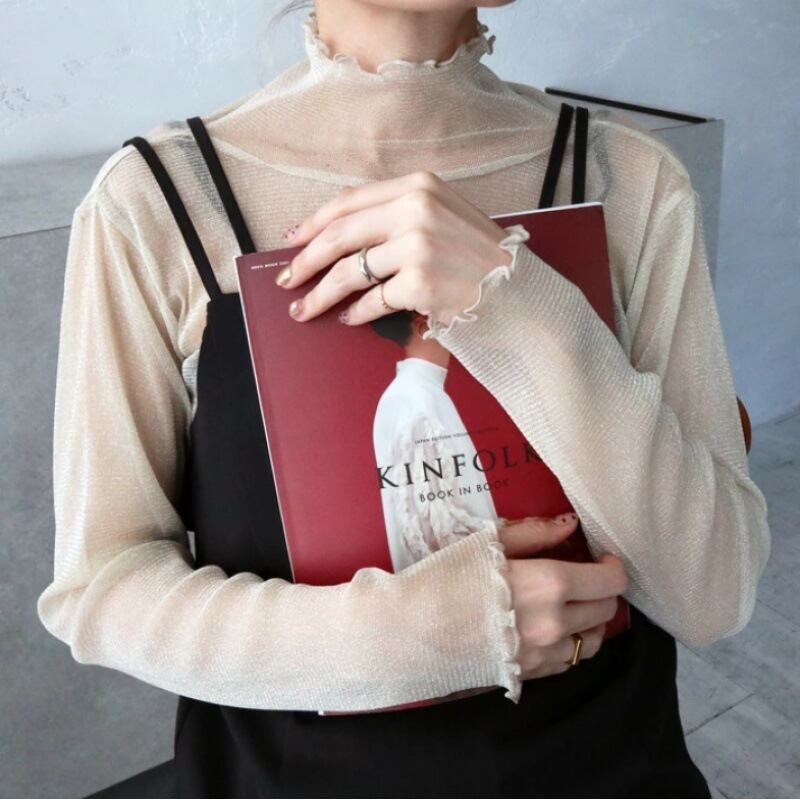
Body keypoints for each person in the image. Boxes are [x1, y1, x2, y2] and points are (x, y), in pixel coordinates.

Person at [37, 1, 771, 796]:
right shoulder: (159, 202)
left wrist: (514, 303)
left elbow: (713, 595)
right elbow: (102, 590)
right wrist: (430, 634)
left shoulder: (627, 177)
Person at [371, 311, 501, 571]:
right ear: (423, 326)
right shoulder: (417, 400)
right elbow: (437, 537)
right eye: (445, 308)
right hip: (463, 580)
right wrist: (535, 535)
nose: (460, 314)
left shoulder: (418, 394)